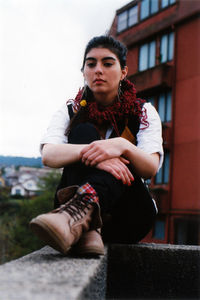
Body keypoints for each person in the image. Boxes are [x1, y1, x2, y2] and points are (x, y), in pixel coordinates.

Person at [30, 35, 163, 256]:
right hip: (68, 213)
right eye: (91, 64)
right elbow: (49, 154)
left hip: (128, 215)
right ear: (84, 72)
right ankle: (89, 228)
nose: (98, 70)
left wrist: (121, 146)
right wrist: (97, 153)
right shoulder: (71, 110)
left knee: (123, 152)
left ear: (123, 72)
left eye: (107, 63)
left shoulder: (143, 111)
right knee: (83, 133)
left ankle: (81, 218)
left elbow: (150, 166)